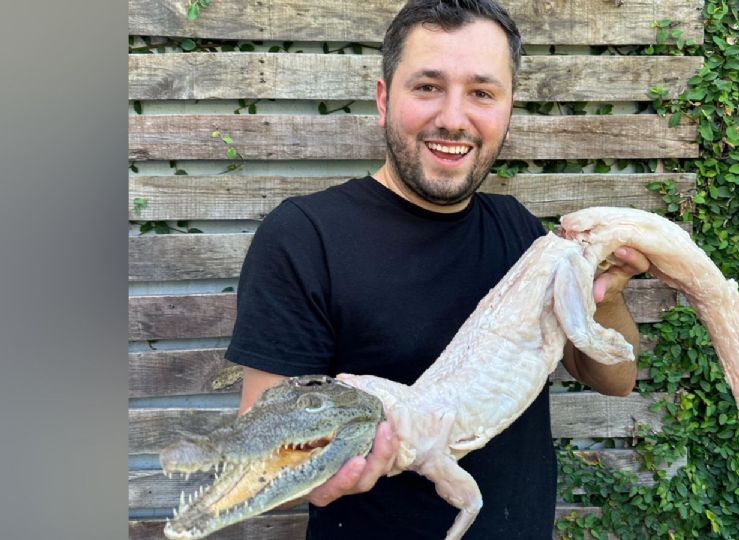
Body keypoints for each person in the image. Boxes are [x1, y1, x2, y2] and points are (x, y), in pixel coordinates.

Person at [225, 1, 647, 538]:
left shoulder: (520, 231)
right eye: (427, 87)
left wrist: (604, 295)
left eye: (482, 93)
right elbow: (262, 444)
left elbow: (614, 380)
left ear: (508, 109)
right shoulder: (305, 236)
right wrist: (320, 471)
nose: (453, 117)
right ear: (383, 99)